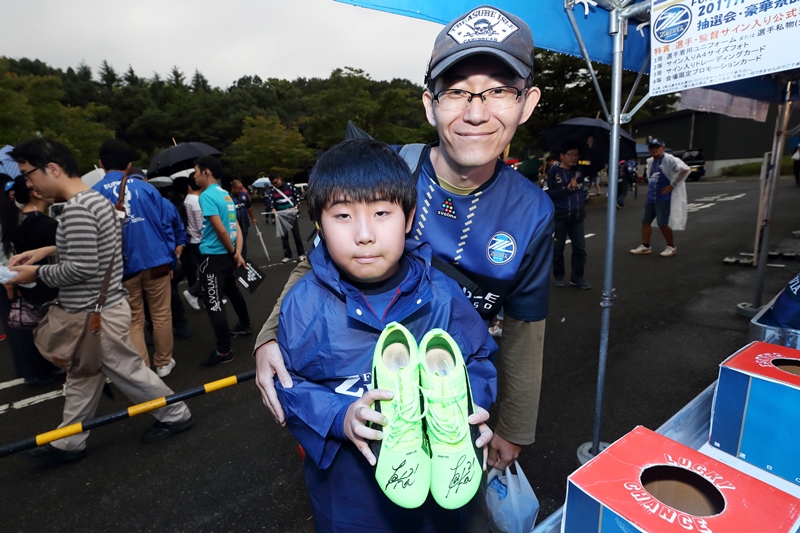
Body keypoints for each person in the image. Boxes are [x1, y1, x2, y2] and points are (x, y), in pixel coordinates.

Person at [255, 4, 554, 473]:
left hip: (450, 390)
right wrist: (268, 337)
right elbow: (317, 261)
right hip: (365, 386)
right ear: (430, 105)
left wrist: (514, 428)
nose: (476, 113)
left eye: (499, 91)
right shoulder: (386, 172)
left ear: (527, 102)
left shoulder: (533, 211)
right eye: (456, 92)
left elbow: (525, 327)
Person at [276, 139, 497, 531]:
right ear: (320, 225)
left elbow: (479, 358)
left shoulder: (442, 294)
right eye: (342, 215)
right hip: (350, 500)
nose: (364, 234)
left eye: (381, 212)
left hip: (441, 500)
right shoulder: (303, 305)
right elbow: (290, 385)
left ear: (408, 218)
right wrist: (339, 417)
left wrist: (470, 400)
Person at [8, 138, 192, 463]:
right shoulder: (94, 201)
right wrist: (48, 251)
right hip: (100, 309)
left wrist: (33, 273)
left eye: (28, 173)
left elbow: (81, 267)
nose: (28, 183)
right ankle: (70, 440)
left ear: (53, 169)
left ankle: (176, 414)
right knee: (84, 376)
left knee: (128, 372)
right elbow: (98, 247)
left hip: (97, 313)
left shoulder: (78, 208)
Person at [92, 140, 177, 377]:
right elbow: (166, 227)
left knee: (133, 320)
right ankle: (164, 362)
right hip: (156, 260)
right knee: (161, 313)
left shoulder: (94, 194)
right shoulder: (147, 189)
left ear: (101, 164)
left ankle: (143, 370)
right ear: (129, 165)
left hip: (122, 266)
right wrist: (170, 259)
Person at [193, 155, 252, 366]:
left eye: (196, 171)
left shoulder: (206, 196)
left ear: (207, 172)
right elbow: (236, 228)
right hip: (228, 255)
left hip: (214, 256)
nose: (194, 176)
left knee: (213, 302)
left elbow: (221, 230)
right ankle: (244, 324)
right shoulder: (226, 194)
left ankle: (224, 351)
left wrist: (234, 252)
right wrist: (237, 253)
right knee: (232, 291)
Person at [0, 176, 59, 384]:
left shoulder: (13, 218)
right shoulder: (14, 219)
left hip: (17, 277)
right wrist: (9, 282)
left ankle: (38, 370)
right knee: (24, 324)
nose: (12, 194)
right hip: (13, 279)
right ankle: (37, 372)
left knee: (27, 323)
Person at [630, 137, 690, 257]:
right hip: (652, 196)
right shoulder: (651, 162)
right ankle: (645, 246)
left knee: (663, 223)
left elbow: (685, 169)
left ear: (663, 148)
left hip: (664, 197)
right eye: (651, 148)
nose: (654, 150)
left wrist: (672, 185)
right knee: (645, 221)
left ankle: (671, 246)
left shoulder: (669, 159)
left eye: (657, 147)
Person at [546, 140, 590, 289]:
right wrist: (566, 189)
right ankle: (559, 276)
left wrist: (589, 144)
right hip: (559, 217)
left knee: (580, 250)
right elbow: (547, 193)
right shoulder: (553, 172)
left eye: (576, 155)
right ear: (562, 156)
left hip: (578, 217)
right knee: (558, 249)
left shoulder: (579, 172)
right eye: (570, 154)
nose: (573, 157)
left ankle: (577, 278)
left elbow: (594, 165)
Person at [264, 174, 305, 263]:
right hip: (281, 214)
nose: (275, 184)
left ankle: (301, 254)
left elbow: (297, 196)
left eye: (276, 182)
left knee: (296, 234)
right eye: (273, 183)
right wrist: (273, 208)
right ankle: (287, 255)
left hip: (291, 213)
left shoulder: (289, 186)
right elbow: (271, 202)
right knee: (284, 236)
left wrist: (296, 207)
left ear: (280, 178)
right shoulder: (272, 191)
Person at [182, 174, 204, 311]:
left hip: (193, 239)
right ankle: (193, 292)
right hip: (200, 240)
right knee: (210, 270)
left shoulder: (188, 198)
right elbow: (201, 225)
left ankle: (211, 297)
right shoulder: (197, 201)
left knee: (206, 269)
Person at [229, 179, 257, 260]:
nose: (240, 191)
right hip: (233, 225)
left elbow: (249, 207)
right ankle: (235, 258)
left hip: (244, 223)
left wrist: (253, 218)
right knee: (234, 242)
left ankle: (243, 259)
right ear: (233, 188)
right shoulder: (228, 198)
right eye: (238, 189)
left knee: (243, 242)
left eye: (241, 189)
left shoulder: (244, 195)